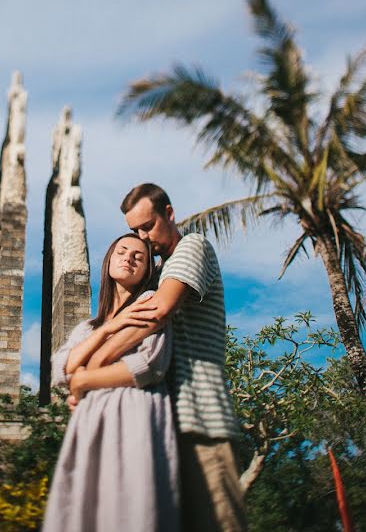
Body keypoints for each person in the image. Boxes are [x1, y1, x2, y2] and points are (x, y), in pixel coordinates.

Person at [85, 183, 246, 532]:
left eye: (147, 226)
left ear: (169, 214)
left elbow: (159, 311)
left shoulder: (191, 247)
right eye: (134, 230)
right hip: (163, 429)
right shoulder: (158, 272)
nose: (142, 236)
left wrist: (95, 363)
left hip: (202, 421)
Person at [43, 233, 180, 532]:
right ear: (108, 262)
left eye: (139, 256)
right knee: (85, 511)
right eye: (121, 251)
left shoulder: (149, 302)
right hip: (90, 422)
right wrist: (110, 328)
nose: (129, 257)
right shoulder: (87, 328)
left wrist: (83, 379)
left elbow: (149, 365)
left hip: (135, 413)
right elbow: (60, 371)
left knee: (132, 509)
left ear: (147, 270)